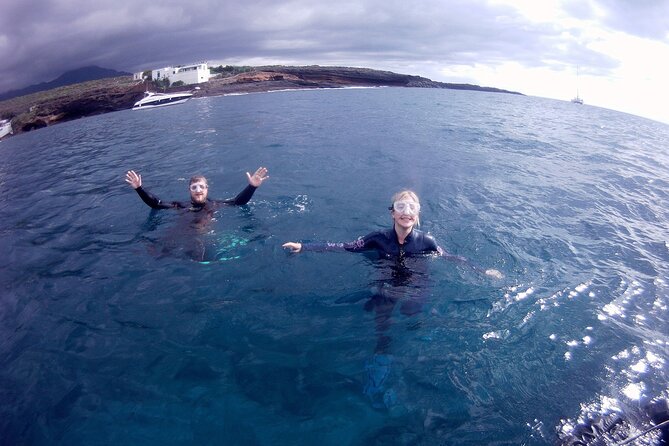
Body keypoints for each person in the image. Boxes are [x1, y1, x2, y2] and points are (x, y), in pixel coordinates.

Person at [282, 189, 502, 409]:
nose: (406, 212)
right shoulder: (378, 239)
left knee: (410, 314)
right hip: (387, 282)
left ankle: (422, 336)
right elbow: (344, 247)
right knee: (382, 317)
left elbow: (453, 258)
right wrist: (305, 247)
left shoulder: (427, 241)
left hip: (418, 282)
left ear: (417, 215)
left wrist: (483, 271)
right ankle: (381, 356)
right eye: (401, 207)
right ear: (393, 213)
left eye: (412, 208)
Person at [125, 167, 269, 211]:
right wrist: (139, 188)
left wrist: (252, 187)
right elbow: (156, 204)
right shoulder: (180, 206)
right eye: (194, 187)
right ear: (190, 190)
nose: (198, 189)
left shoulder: (216, 204)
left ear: (207, 189)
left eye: (201, 186)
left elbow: (238, 202)